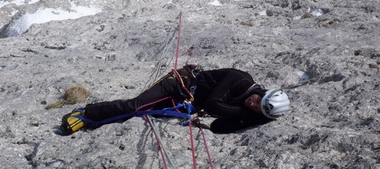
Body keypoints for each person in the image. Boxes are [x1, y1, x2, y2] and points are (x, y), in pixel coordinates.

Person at [60, 65, 290, 135]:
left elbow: (218, 127)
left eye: (258, 108)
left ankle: (95, 119)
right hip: (177, 83)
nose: (253, 103)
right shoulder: (239, 80)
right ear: (264, 91)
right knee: (136, 107)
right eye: (259, 99)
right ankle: (85, 114)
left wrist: (248, 120)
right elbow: (212, 105)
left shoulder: (251, 111)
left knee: (147, 114)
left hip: (187, 102)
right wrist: (243, 115)